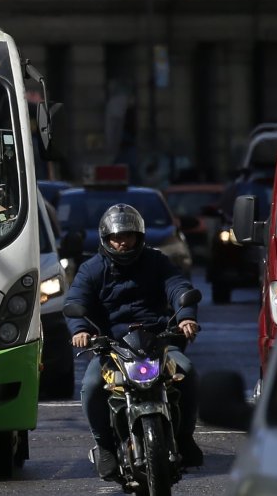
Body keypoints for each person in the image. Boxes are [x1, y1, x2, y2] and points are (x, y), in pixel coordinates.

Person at [64, 203, 203, 482]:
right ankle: (105, 447)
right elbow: (76, 300)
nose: (122, 242)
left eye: (127, 236)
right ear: (106, 239)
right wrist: (81, 330)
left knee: (187, 372)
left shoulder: (157, 261)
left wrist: (185, 317)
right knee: (92, 386)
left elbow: (179, 287)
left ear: (139, 236)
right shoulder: (91, 269)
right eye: (116, 237)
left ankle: (185, 437)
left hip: (157, 342)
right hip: (112, 347)